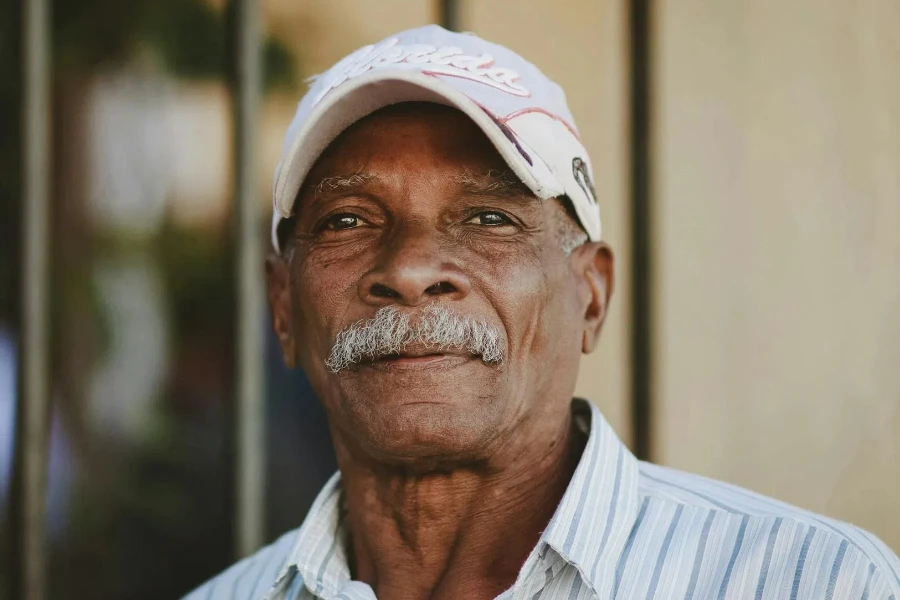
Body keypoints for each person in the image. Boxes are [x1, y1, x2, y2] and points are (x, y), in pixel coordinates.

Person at [185, 25, 900, 600]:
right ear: (283, 307)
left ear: (591, 294)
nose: (407, 270)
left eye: (489, 217)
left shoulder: (814, 582)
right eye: (347, 221)